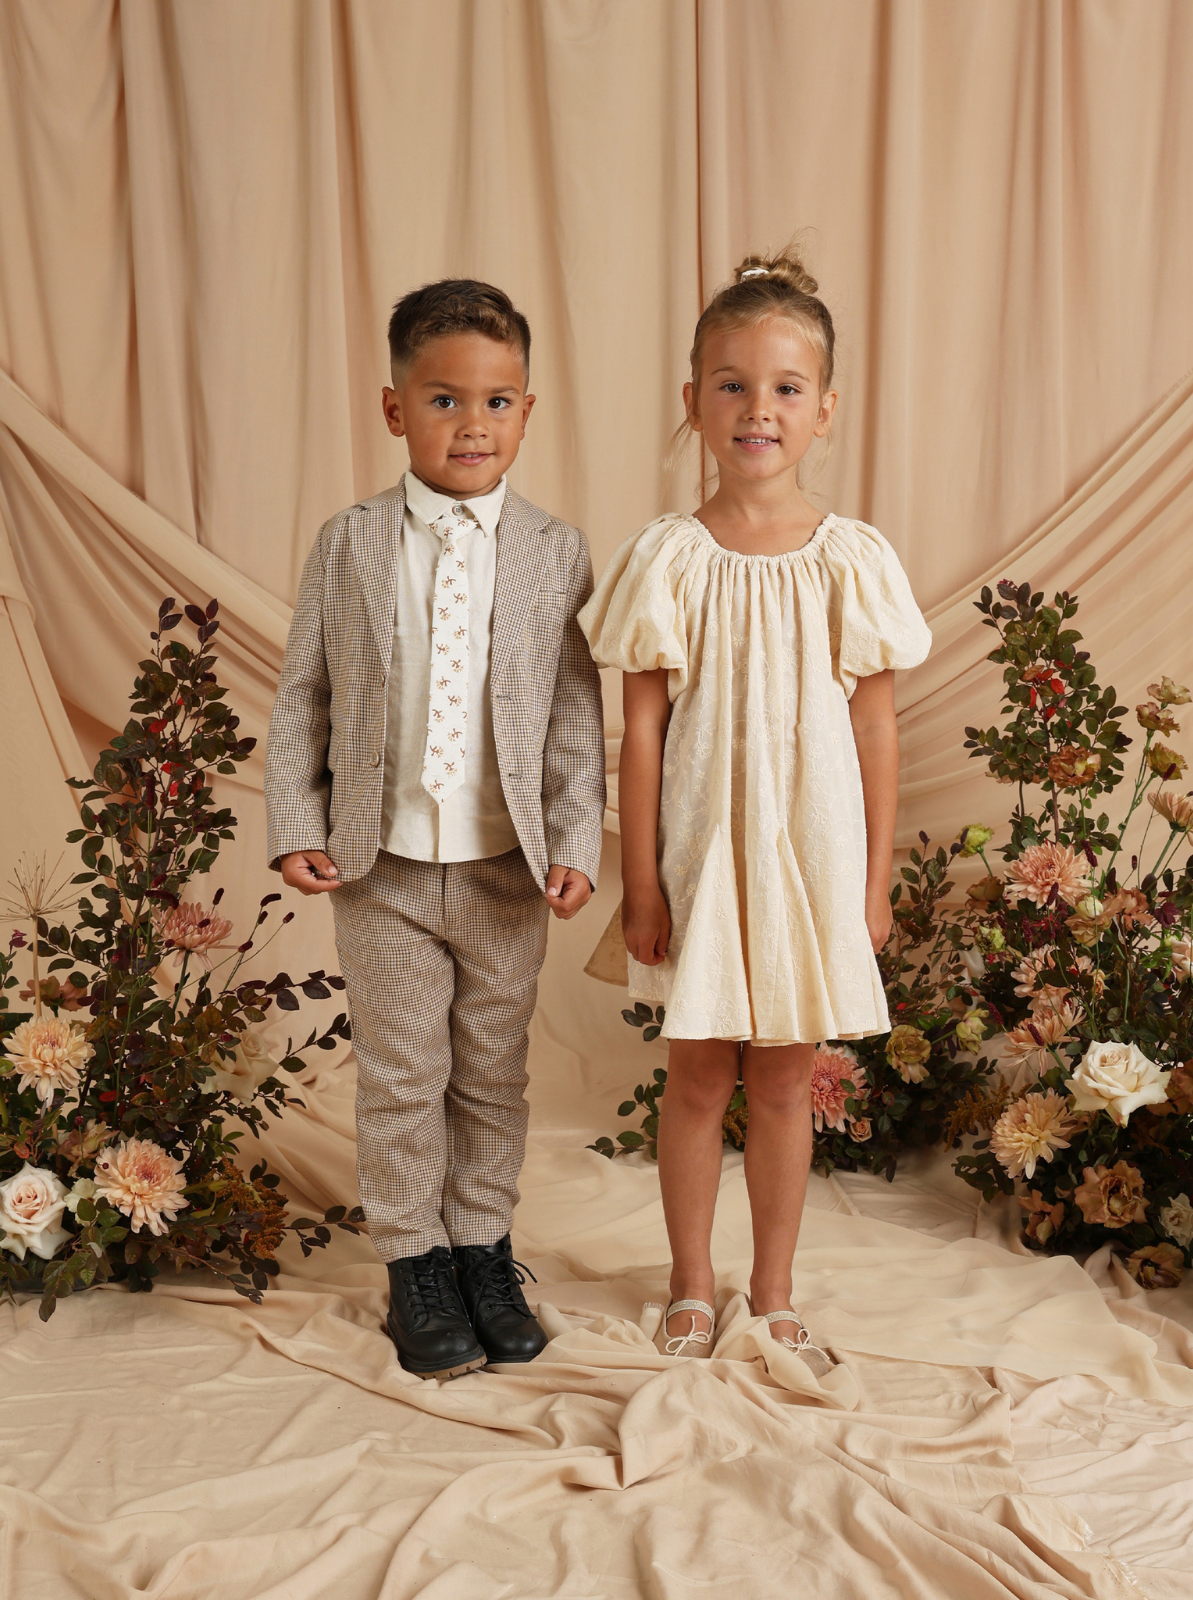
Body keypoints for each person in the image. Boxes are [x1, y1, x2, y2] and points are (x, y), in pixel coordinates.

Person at [579, 248, 931, 1361]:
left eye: (785, 387)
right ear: (693, 402)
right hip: (701, 854)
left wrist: (872, 880)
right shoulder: (666, 558)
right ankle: (691, 1284)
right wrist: (642, 881)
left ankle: (772, 1291)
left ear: (824, 409)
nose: (757, 409)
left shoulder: (850, 559)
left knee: (783, 1080)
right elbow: (640, 731)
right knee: (695, 1075)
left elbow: (874, 728)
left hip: (810, 856)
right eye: (731, 385)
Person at [265, 279, 605, 1380]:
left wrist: (574, 841)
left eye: (497, 402)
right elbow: (304, 693)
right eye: (444, 399)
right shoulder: (350, 542)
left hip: (507, 869)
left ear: (526, 411)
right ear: (393, 407)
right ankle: (414, 1262)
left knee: (491, 1074)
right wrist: (295, 819)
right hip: (383, 869)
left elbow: (572, 712)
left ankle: (482, 1251)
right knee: (404, 1073)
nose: (472, 424)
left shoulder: (555, 550)